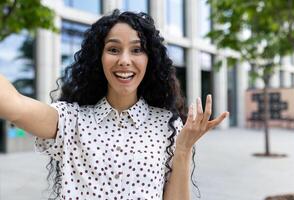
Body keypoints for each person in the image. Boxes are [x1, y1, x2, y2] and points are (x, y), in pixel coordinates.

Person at [0, 9, 229, 200]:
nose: (124, 60)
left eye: (137, 50)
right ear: (99, 58)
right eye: (113, 49)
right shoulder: (70, 120)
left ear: (150, 60)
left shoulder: (167, 127)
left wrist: (184, 148)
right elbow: (14, 105)